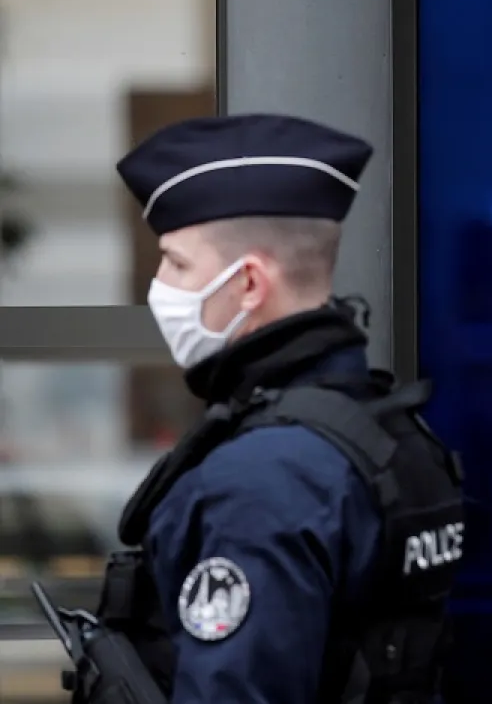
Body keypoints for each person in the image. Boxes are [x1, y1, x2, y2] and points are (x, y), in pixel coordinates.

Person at [92, 113, 465, 704]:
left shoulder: (262, 479)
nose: (161, 286)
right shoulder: (388, 435)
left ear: (249, 286)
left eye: (178, 263)